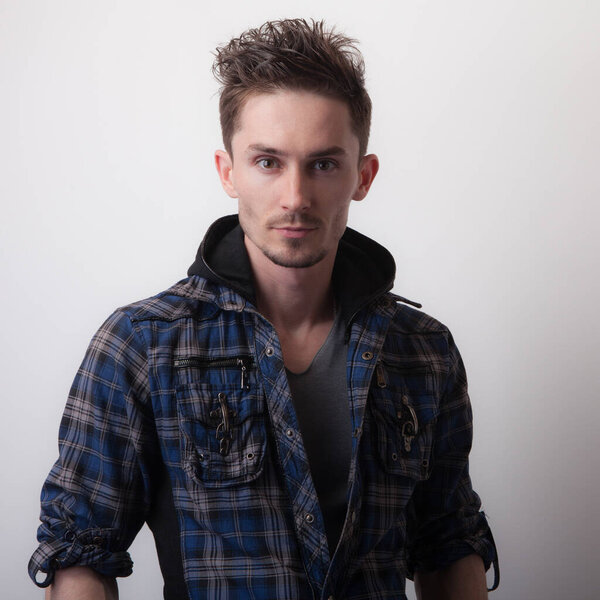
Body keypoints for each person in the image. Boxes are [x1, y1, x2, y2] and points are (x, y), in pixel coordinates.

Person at [29, 18, 498, 600]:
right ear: (229, 172)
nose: (295, 197)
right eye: (268, 162)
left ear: (363, 175)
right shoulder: (143, 345)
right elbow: (80, 552)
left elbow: (449, 543)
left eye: (323, 163)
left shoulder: (422, 351)